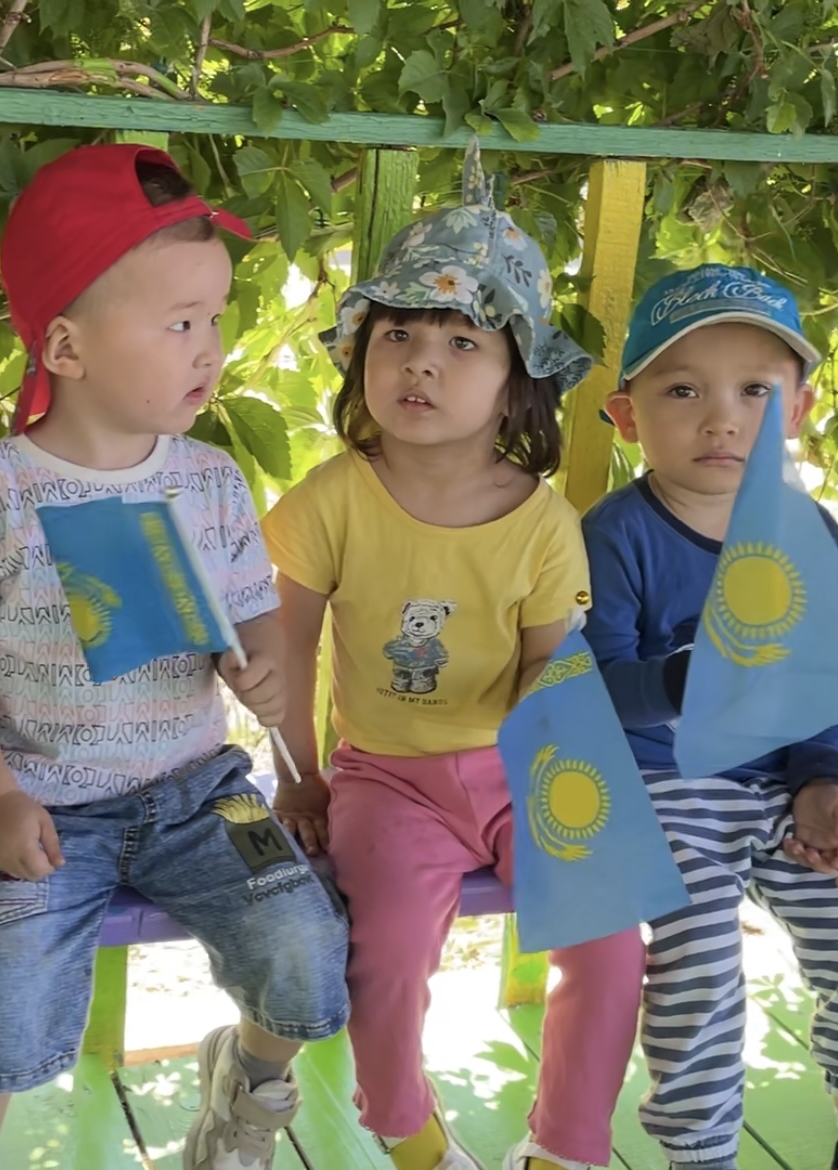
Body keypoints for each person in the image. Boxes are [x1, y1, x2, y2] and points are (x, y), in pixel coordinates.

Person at [0, 144, 350, 1170]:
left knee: (302, 934)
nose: (212, 349)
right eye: (180, 323)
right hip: (32, 798)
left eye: (216, 319)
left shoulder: (210, 481)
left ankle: (247, 1089)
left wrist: (262, 669)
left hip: (202, 792)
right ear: (66, 347)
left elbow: (256, 620)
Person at [265, 156, 644, 1170]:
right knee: (388, 952)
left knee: (610, 938)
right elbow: (285, 646)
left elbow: (548, 678)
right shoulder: (330, 500)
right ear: (360, 355)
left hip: (529, 772)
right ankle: (409, 1134)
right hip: (386, 779)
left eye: (461, 341)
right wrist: (300, 776)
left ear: (516, 379)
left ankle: (567, 1146)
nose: (419, 365)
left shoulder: (543, 523)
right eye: (397, 335)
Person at [584, 265, 838, 1170]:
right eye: (683, 390)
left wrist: (824, 778)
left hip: (784, 786)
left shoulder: (808, 534)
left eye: (755, 392)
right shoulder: (616, 535)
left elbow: (825, 683)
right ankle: (700, 1153)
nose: (721, 419)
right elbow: (594, 687)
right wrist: (685, 681)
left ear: (799, 409)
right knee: (699, 964)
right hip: (664, 783)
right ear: (626, 415)